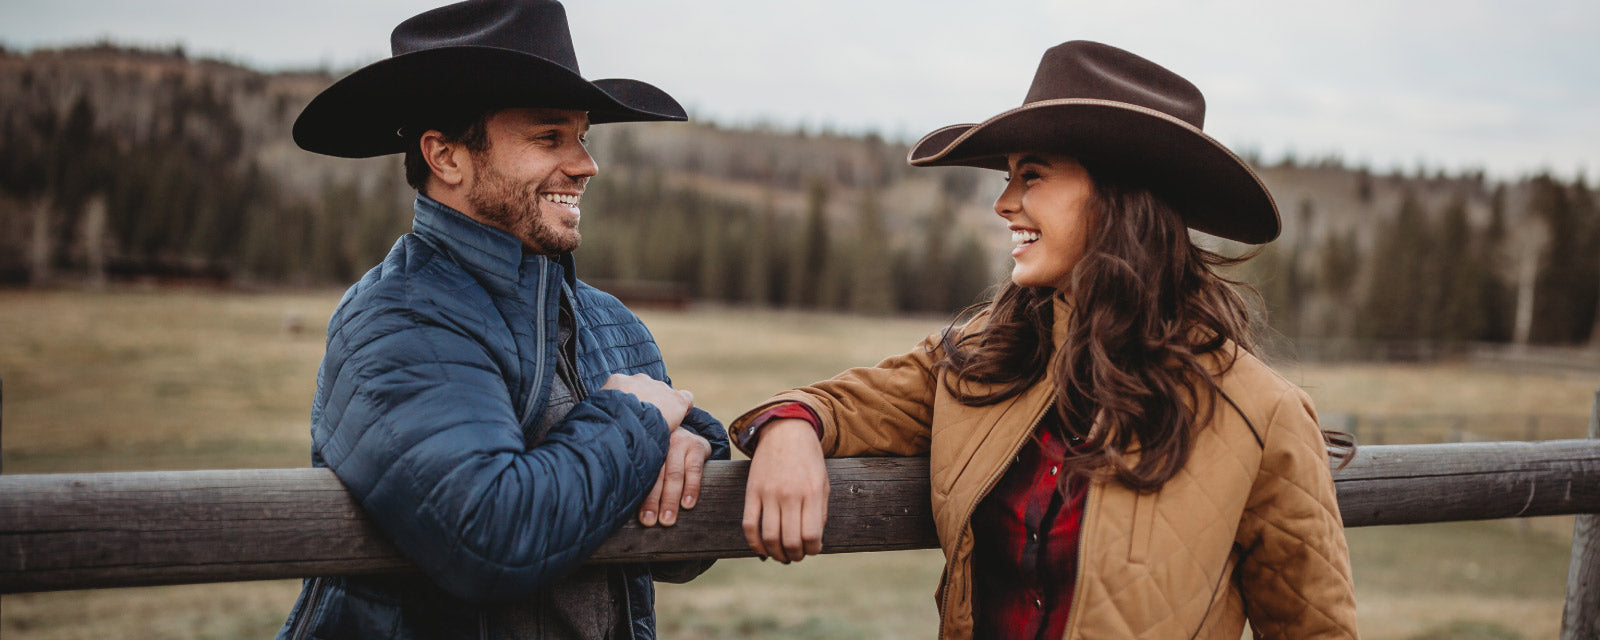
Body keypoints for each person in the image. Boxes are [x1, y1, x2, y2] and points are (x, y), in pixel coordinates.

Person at [735, 41, 1359, 639]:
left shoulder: (1262, 414)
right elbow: (847, 402)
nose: (1005, 203)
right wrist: (792, 427)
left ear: (1120, 194)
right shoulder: (982, 359)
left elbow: (1314, 627)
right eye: (1009, 178)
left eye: (1030, 176)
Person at [275, 1, 729, 638]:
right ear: (448, 157)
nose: (585, 164)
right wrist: (639, 423)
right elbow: (489, 535)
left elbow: (683, 554)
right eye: (549, 137)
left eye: (583, 136)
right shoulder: (396, 321)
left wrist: (693, 441)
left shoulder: (611, 324)